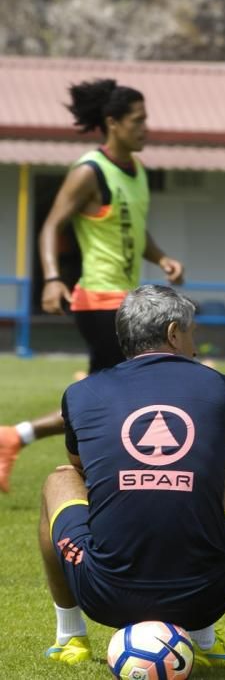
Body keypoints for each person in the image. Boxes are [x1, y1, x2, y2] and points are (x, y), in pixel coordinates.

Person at [39, 284, 225, 669]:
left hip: (105, 593)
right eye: (192, 334)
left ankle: (70, 637)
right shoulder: (219, 386)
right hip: (206, 594)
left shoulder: (82, 392)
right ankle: (203, 637)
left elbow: (80, 463)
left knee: (60, 479)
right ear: (173, 333)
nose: (196, 347)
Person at [0, 79, 184, 494]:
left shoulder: (135, 172)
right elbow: (51, 225)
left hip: (124, 300)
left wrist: (161, 257)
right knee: (134, 386)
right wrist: (51, 277)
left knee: (109, 391)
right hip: (98, 299)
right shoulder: (90, 171)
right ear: (112, 123)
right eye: (138, 121)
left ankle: (17, 437)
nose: (146, 128)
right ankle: (104, 474)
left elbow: (133, 229)